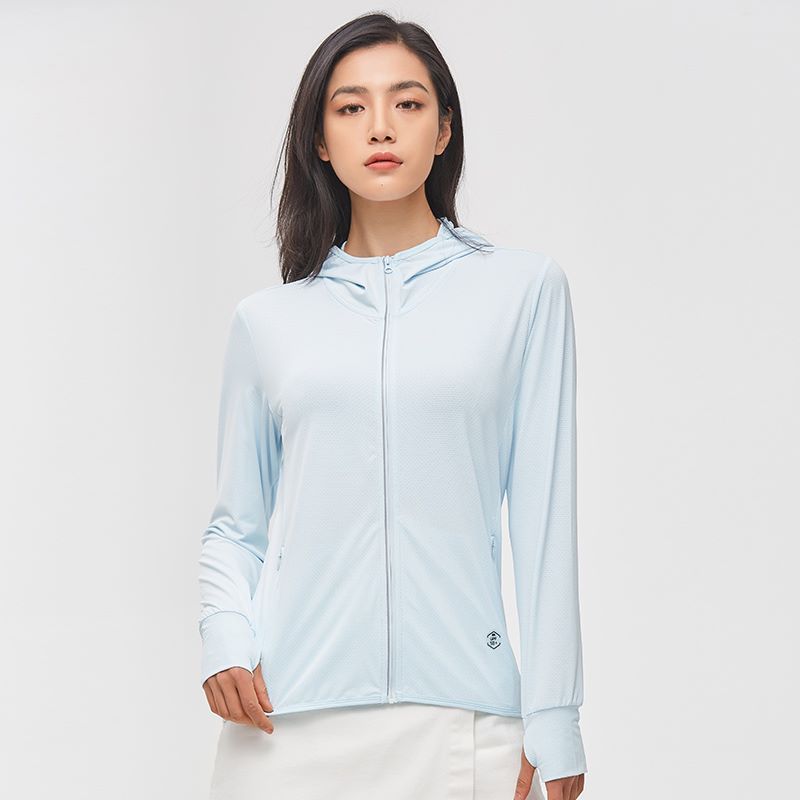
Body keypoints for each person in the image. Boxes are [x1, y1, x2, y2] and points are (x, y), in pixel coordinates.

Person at [198, 12, 588, 800]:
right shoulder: (268, 322)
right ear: (319, 139)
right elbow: (236, 526)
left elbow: (545, 520)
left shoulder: (522, 291)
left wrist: (554, 714)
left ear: (444, 129)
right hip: (284, 722)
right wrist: (224, 635)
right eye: (351, 107)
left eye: (408, 103)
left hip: (461, 721)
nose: (380, 126)